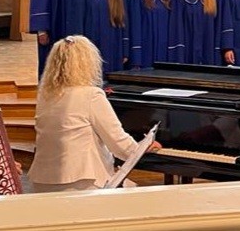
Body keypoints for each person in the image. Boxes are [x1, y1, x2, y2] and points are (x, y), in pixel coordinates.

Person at [28, 36, 161, 192]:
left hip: (43, 181)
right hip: (82, 182)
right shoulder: (91, 95)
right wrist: (142, 147)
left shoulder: (45, 96)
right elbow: (118, 143)